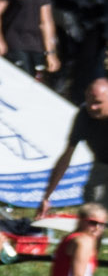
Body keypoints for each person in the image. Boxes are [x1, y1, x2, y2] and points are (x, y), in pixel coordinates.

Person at [38, 78, 108, 215]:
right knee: (92, 208)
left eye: (98, 103)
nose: (92, 107)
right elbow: (66, 156)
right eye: (89, 101)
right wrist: (47, 197)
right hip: (101, 163)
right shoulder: (84, 115)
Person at [50, 203, 108, 276]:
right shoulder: (84, 241)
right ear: (81, 221)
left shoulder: (71, 237)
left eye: (103, 225)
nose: (98, 228)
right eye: (92, 223)